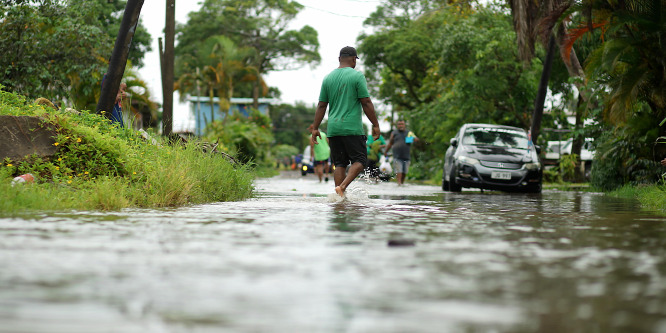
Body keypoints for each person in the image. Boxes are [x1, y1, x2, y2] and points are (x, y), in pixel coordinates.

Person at [311, 46, 381, 197]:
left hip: (333, 129)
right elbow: (366, 102)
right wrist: (375, 124)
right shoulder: (357, 76)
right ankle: (342, 187)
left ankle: (339, 197)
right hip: (351, 128)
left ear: (339, 59)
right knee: (360, 160)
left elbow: (321, 105)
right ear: (354, 59)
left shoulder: (328, 78)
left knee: (340, 163)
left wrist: (315, 128)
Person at [385, 120, 418, 185]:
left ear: (404, 125)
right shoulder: (394, 133)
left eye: (402, 124)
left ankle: (402, 183)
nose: (401, 126)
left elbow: (416, 139)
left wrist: (410, 139)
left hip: (406, 156)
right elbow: (390, 143)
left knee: (404, 172)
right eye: (399, 124)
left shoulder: (409, 133)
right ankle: (399, 183)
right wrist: (386, 151)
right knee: (399, 170)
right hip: (397, 156)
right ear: (397, 126)